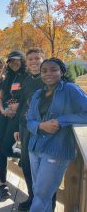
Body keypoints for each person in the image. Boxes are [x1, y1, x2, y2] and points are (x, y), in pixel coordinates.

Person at [27, 57, 87, 212]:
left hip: (57, 149)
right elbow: (29, 121)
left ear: (62, 71)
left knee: (41, 195)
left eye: (54, 69)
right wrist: (41, 125)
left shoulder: (70, 89)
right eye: (44, 70)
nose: (48, 74)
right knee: (39, 192)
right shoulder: (38, 94)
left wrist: (61, 120)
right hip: (34, 148)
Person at [13, 48, 47, 211]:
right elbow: (21, 104)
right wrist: (17, 127)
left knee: (43, 168)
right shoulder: (26, 80)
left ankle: (45, 203)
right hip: (25, 126)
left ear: (43, 60)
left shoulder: (50, 78)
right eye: (30, 59)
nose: (34, 62)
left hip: (42, 129)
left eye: (37, 58)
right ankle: (32, 197)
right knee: (26, 164)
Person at [0, 50, 27, 199]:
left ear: (22, 61)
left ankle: (24, 157)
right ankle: (3, 183)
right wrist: (2, 111)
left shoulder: (27, 77)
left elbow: (30, 99)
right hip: (4, 117)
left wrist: (18, 107)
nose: (14, 63)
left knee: (8, 148)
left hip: (17, 118)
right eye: (11, 61)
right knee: (2, 149)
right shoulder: (7, 78)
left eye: (17, 60)